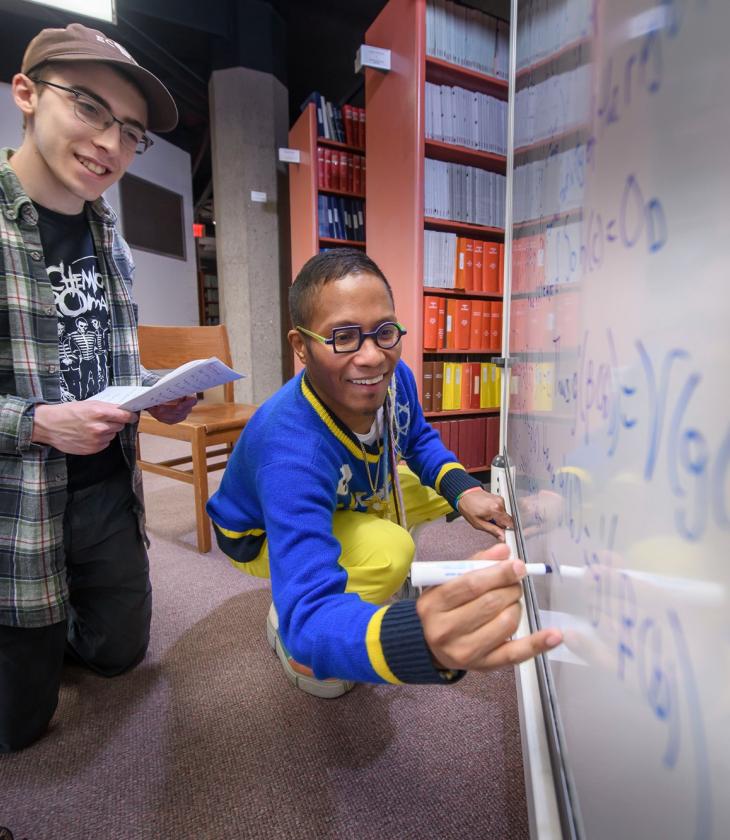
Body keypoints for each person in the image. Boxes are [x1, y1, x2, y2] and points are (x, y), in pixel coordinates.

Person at [207, 249, 562, 698]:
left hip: (347, 491)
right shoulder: (291, 452)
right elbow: (309, 620)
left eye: (384, 332)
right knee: (391, 549)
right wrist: (412, 638)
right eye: (343, 337)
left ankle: (489, 507)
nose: (373, 356)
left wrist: (462, 490)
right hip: (256, 535)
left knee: (443, 489)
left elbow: (416, 441)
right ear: (301, 347)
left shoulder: (396, 378)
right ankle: (284, 612)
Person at [0, 22, 197, 752]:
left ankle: (58, 619)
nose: (112, 143)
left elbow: (97, 360)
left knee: (120, 656)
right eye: (88, 106)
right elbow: (42, 404)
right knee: (19, 729)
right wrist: (39, 423)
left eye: (131, 130)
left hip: (106, 484)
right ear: (26, 93)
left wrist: (152, 390)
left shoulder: (106, 235)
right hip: (18, 502)